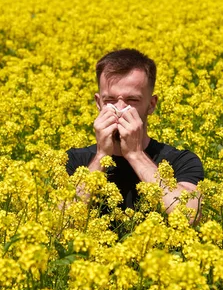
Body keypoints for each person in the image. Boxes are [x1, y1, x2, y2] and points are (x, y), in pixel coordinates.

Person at [65, 48, 204, 222]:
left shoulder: (181, 161)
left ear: (151, 104)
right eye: (110, 101)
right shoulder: (75, 161)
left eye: (132, 100)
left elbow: (190, 216)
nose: (120, 109)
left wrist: (135, 154)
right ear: (98, 103)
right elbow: (60, 223)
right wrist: (102, 155)